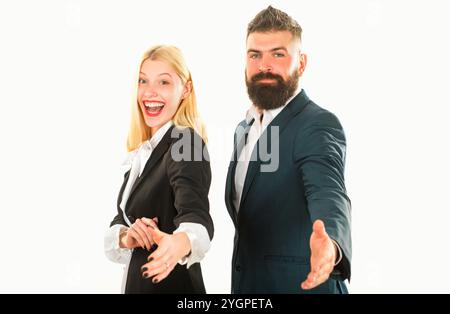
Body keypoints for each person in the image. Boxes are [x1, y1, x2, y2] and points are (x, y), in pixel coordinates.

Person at [224, 6, 352, 293]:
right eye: (255, 55)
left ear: (302, 63)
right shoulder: (244, 129)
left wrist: (331, 244)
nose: (264, 65)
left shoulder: (317, 124)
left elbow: (328, 192)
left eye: (278, 54)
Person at [104, 45, 213, 294]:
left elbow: (195, 214)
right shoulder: (144, 152)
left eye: (164, 82)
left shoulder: (186, 141)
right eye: (143, 81)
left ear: (185, 89)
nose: (150, 92)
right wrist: (127, 236)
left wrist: (181, 242)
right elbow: (120, 220)